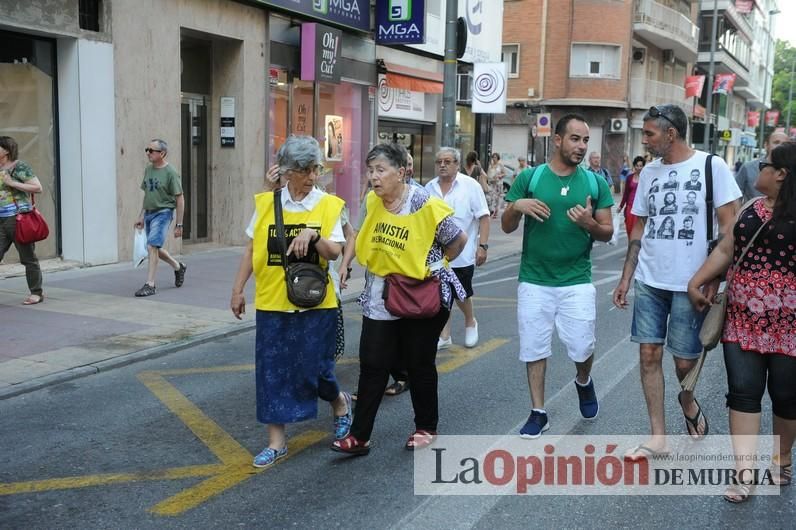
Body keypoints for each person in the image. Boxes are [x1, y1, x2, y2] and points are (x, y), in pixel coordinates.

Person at [613, 104, 741, 460]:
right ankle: (658, 436)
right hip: (650, 278)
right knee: (648, 353)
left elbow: (730, 229)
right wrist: (626, 277)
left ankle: (686, 398)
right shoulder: (649, 173)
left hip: (692, 282)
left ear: (671, 133)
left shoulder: (711, 166)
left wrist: (716, 277)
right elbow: (640, 226)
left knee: (684, 362)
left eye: (650, 133)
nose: (645, 139)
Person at [333, 142, 467, 455]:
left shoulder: (422, 201)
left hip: (420, 293)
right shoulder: (373, 200)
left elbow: (457, 240)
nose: (373, 177)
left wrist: (431, 268)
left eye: (381, 170)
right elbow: (366, 234)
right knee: (372, 363)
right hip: (381, 290)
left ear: (401, 172)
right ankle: (359, 436)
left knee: (419, 363)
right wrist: (348, 263)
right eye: (370, 171)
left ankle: (426, 426)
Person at [230, 135, 352, 468]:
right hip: (272, 302)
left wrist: (314, 237)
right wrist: (238, 289)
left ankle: (340, 402)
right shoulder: (268, 203)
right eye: (306, 170)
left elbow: (335, 251)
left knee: (315, 369)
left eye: (315, 169)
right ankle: (276, 441)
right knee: (272, 373)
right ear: (287, 172)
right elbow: (252, 249)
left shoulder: (328, 204)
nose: (313, 176)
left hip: (316, 302)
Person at [687, 141, 796, 503]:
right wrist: (696, 280)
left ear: (780, 174)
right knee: (743, 393)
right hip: (742, 319)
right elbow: (725, 249)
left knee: (786, 397)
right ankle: (743, 473)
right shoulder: (749, 209)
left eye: (765, 165)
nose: (758, 169)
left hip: (790, 326)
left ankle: (781, 459)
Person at [502, 114, 614, 438]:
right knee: (534, 348)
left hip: (577, 279)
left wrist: (589, 224)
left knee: (582, 346)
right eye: (575, 139)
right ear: (558, 139)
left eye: (586, 140)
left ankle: (583, 380)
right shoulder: (531, 178)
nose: (581, 146)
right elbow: (508, 226)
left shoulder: (595, 183)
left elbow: (607, 233)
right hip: (535, 279)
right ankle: (538, 412)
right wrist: (516, 205)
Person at [426, 147, 490, 349]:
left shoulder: (470, 186)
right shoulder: (429, 187)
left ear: (456, 164)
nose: (442, 165)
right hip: (436, 255)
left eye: (447, 161)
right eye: (439, 162)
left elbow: (484, 217)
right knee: (440, 294)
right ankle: (444, 335)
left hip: (462, 254)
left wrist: (483, 246)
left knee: (461, 293)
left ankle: (470, 321)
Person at [133, 139, 187, 297]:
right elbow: (147, 194)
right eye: (147, 150)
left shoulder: (171, 172)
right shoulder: (148, 169)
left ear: (162, 153)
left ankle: (150, 284)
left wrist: (179, 224)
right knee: (154, 247)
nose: (148, 153)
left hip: (163, 213)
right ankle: (178, 267)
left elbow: (180, 198)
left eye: (152, 150)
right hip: (149, 213)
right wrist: (141, 216)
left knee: (151, 247)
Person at [0, 136, 44, 305]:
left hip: (18, 219)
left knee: (28, 257)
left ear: (6, 150)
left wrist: (12, 183)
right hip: (1, 220)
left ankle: (36, 292)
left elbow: (37, 187)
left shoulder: (19, 167)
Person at [735, 131, 789, 202]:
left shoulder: (791, 170)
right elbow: (735, 195)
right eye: (776, 142)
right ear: (766, 145)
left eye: (784, 144)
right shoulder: (748, 167)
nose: (780, 146)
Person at [618, 156, 645, 237]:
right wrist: (621, 206)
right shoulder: (630, 177)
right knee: (629, 230)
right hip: (630, 208)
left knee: (638, 232)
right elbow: (626, 194)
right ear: (634, 166)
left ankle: (636, 248)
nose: (639, 168)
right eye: (637, 165)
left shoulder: (646, 178)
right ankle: (630, 247)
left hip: (640, 209)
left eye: (641, 166)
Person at [486, 153, 506, 218]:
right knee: (491, 197)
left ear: (498, 158)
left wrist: (499, 176)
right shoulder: (490, 165)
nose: (494, 159)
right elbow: (488, 174)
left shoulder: (500, 165)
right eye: (493, 157)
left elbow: (504, 174)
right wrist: (488, 179)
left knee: (497, 198)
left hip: (498, 184)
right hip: (491, 184)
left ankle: (496, 212)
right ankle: (491, 210)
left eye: (495, 157)